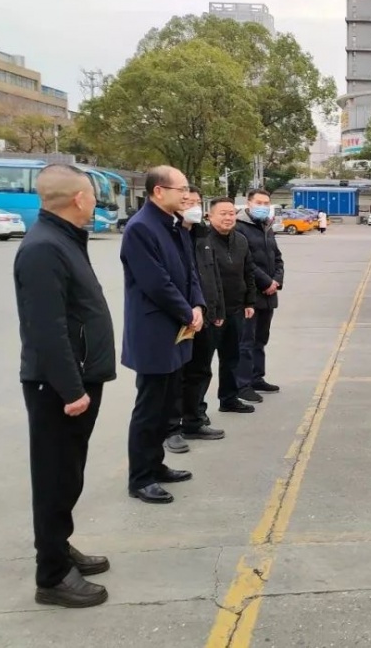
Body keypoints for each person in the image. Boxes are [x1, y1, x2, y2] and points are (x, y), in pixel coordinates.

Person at [14, 164, 116, 608]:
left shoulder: (63, 240)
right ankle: (52, 575)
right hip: (58, 386)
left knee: (68, 473)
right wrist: (71, 390)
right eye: (92, 195)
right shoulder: (43, 248)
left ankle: (59, 545)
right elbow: (46, 328)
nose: (95, 202)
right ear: (78, 198)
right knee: (54, 477)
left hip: (77, 375)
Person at [121, 166, 205, 505]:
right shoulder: (140, 228)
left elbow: (190, 271)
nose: (187, 195)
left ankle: (156, 465)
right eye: (181, 189)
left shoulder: (174, 224)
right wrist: (187, 312)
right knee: (150, 408)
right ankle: (140, 478)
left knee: (167, 403)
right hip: (154, 331)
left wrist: (197, 304)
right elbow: (156, 283)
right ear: (158, 191)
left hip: (178, 328)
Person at [165, 189, 226, 455]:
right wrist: (186, 311)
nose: (193, 207)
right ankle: (171, 429)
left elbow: (213, 276)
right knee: (176, 375)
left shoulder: (203, 236)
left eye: (197, 202)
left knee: (201, 370)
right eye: (188, 202)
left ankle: (194, 420)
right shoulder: (170, 236)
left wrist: (217, 309)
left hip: (205, 314)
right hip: (181, 317)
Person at [206, 197, 258, 413]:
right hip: (211, 313)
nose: (228, 218)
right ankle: (195, 413)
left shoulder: (241, 240)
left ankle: (229, 399)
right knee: (201, 365)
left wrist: (249, 301)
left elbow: (248, 272)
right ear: (210, 216)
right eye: (223, 214)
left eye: (231, 213)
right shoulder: (203, 241)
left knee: (231, 358)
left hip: (236, 309)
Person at [236, 189, 284, 402]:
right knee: (246, 340)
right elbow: (246, 261)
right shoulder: (239, 227)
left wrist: (277, 280)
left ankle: (257, 377)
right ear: (248, 203)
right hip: (250, 294)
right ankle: (242, 384)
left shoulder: (267, 227)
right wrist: (266, 282)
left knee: (261, 339)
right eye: (259, 202)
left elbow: (277, 257)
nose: (263, 206)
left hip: (268, 294)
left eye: (266, 203)